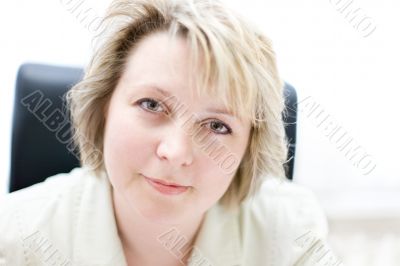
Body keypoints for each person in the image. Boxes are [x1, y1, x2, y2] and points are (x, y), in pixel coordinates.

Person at [0, 0, 340, 265]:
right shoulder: (14, 238)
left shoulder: (289, 233)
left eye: (217, 126)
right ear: (105, 107)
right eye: (151, 105)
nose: (175, 152)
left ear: (248, 147)